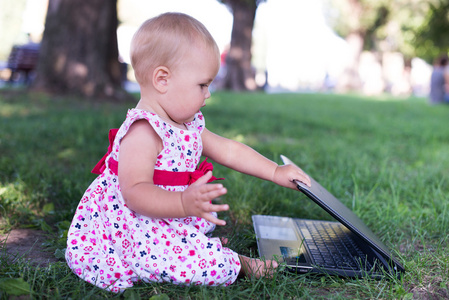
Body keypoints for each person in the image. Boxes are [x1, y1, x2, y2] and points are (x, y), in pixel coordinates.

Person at [65, 12, 311, 293]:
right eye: (202, 85)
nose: (208, 95)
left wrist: (275, 171)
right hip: (132, 228)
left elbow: (229, 150)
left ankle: (193, 243)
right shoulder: (143, 132)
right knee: (201, 265)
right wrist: (183, 203)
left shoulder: (186, 124)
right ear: (162, 80)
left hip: (163, 215)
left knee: (189, 248)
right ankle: (238, 263)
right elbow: (134, 193)